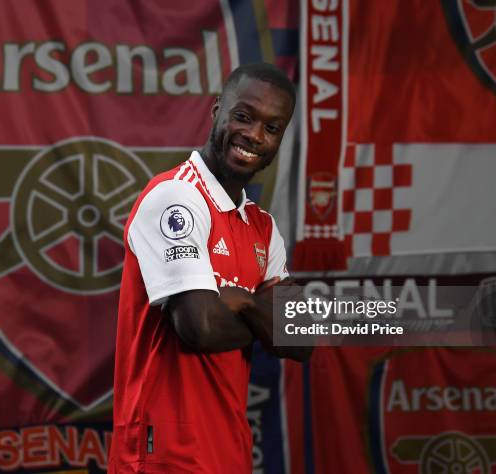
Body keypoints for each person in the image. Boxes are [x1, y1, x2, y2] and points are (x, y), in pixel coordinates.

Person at [109, 63, 312, 474]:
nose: (255, 135)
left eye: (272, 128)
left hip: (229, 450)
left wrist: (240, 303)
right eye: (243, 116)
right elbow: (199, 327)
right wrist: (264, 317)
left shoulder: (263, 228)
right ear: (217, 110)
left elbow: (303, 338)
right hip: (163, 454)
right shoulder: (176, 199)